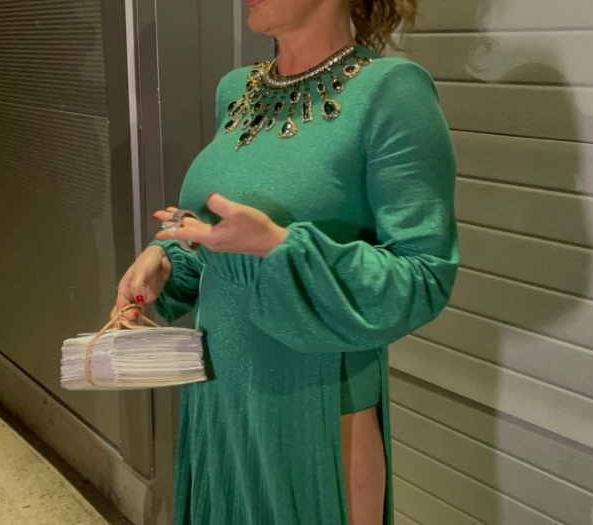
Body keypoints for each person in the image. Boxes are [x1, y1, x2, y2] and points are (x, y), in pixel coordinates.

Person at [111, 0, 459, 523]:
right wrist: (170, 257)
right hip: (220, 389)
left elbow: (424, 274)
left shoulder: (392, 91)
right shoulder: (237, 89)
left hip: (314, 405)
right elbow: (222, 240)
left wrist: (280, 249)